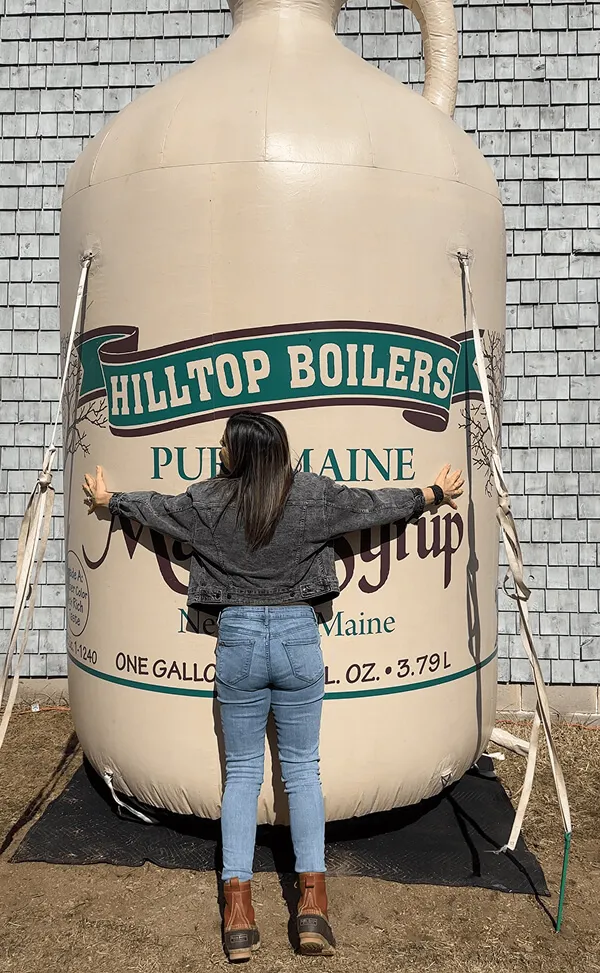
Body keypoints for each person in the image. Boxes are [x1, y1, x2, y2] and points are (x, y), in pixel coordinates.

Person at [82, 411, 464, 963]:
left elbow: (157, 511)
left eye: (224, 445)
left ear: (240, 452)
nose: (218, 452)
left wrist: (108, 499)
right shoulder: (311, 494)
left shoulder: (208, 500)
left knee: (240, 775)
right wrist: (431, 492)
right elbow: (373, 505)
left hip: (237, 639)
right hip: (296, 638)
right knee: (303, 770)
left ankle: (239, 917)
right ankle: (313, 909)